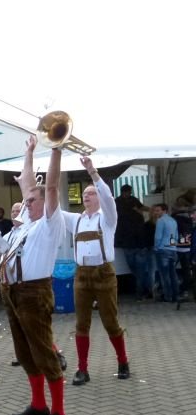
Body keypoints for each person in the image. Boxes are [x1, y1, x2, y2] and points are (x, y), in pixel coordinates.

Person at [0, 136, 67, 415]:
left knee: (42, 350)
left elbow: (49, 187)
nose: (25, 204)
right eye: (25, 202)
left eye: (31, 201)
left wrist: (55, 149)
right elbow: (28, 183)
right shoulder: (26, 221)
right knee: (25, 351)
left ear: (45, 203)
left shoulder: (50, 222)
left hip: (34, 291)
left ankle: (59, 413)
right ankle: (39, 404)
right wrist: (27, 152)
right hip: (13, 292)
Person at [61, 157, 130, 386]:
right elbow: (52, 210)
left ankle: (123, 361)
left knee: (110, 321)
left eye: (91, 193)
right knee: (81, 324)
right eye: (85, 194)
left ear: (99, 197)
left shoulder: (108, 218)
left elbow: (108, 197)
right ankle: (82, 369)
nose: (86, 196)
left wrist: (92, 172)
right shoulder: (75, 220)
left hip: (104, 274)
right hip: (81, 274)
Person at [115, 184, 150, 300]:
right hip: (137, 243)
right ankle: (145, 291)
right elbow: (143, 208)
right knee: (139, 271)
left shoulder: (118, 202)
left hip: (128, 243)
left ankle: (142, 292)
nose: (128, 194)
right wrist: (150, 210)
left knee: (135, 269)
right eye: (128, 192)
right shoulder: (133, 204)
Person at [152, 203, 179, 303]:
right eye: (155, 210)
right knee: (173, 274)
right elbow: (175, 237)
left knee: (164, 275)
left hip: (162, 249)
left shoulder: (160, 221)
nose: (155, 212)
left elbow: (158, 237)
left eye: (158, 210)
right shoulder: (173, 221)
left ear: (164, 211)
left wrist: (156, 247)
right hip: (172, 249)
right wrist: (172, 246)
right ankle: (176, 295)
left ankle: (168, 296)